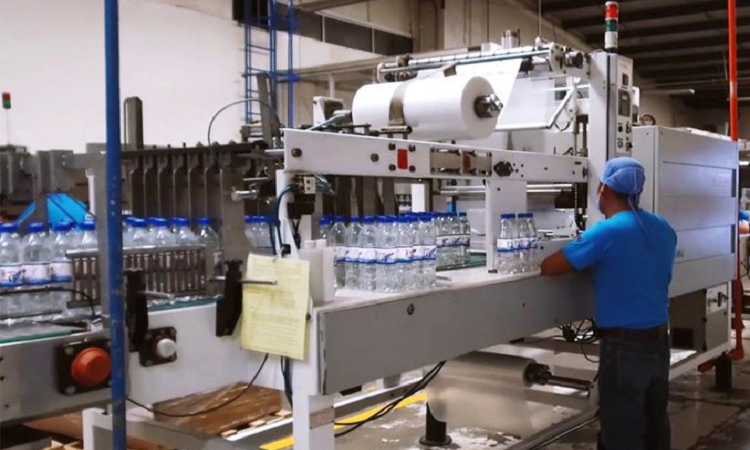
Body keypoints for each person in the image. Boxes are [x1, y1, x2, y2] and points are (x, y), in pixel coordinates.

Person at [540, 157, 677, 450]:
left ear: (603, 189)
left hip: (625, 347)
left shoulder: (607, 232)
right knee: (655, 423)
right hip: (659, 341)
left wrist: (585, 252)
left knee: (621, 431)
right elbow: (637, 265)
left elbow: (549, 267)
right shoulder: (663, 226)